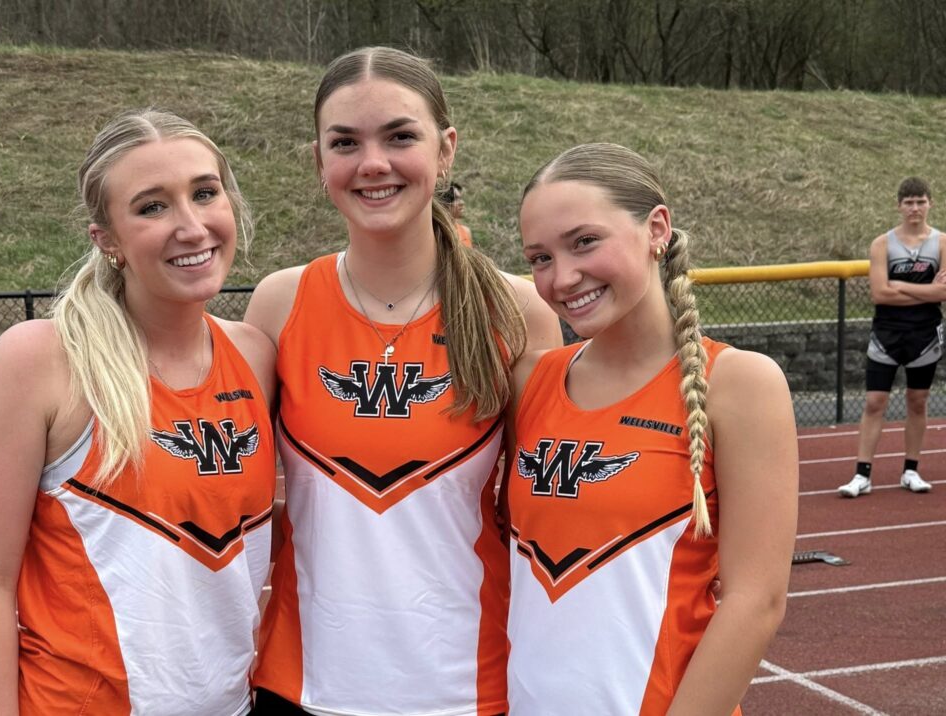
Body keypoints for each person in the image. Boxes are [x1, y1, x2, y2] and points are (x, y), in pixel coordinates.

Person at [243, 46, 561, 716]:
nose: (373, 163)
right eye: (345, 143)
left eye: (399, 137)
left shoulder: (517, 309)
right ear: (319, 162)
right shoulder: (280, 302)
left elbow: (543, 509)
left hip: (470, 689)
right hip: (303, 687)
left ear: (446, 150)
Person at [0, 109, 277, 716]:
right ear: (108, 240)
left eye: (205, 193)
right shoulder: (42, 360)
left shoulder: (256, 356)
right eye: (152, 207)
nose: (191, 226)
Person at [505, 142, 798, 714]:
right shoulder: (530, 380)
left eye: (584, 241)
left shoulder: (739, 383)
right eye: (539, 258)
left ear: (656, 228)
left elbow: (756, 602)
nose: (562, 277)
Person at [839, 177, 946, 498]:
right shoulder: (882, 244)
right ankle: (862, 475)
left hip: (925, 335)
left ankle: (911, 470)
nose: (915, 208)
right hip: (886, 334)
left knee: (918, 400)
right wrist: (926, 291)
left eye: (920, 201)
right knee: (875, 402)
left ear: (930, 203)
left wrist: (899, 286)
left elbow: (943, 293)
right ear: (899, 206)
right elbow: (880, 293)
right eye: (909, 202)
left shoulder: (942, 243)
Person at [440, 180, 473, 247]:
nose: (462, 203)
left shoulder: (465, 231)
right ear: (445, 203)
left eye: (460, 198)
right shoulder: (437, 232)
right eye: (456, 199)